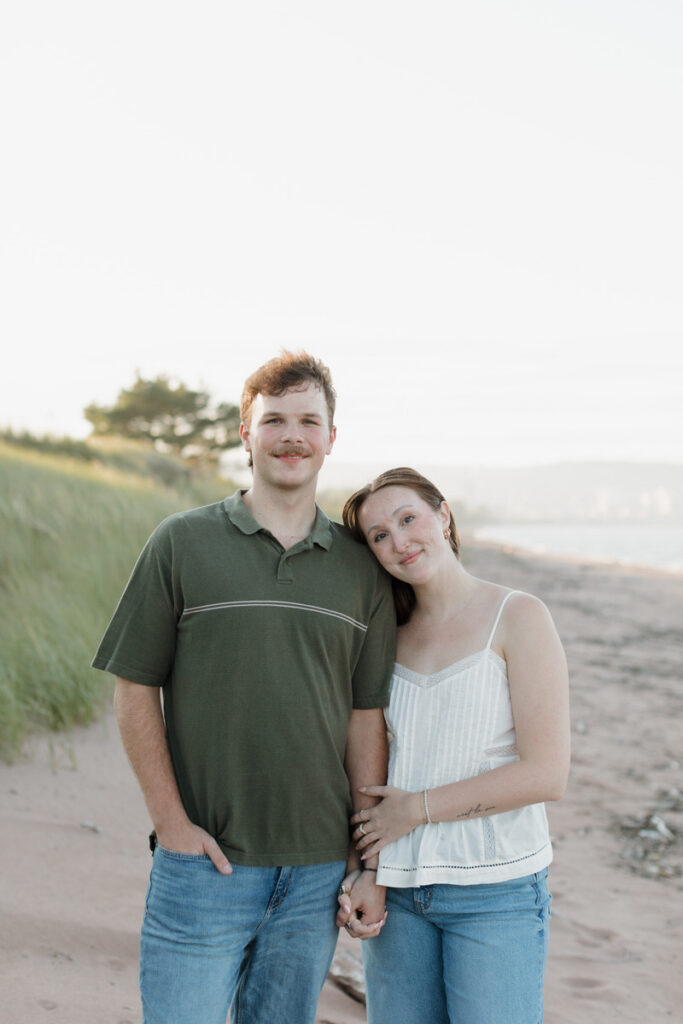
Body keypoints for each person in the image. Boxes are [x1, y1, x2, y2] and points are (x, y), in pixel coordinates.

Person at [92, 352, 395, 1024]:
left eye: (308, 421)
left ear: (330, 438)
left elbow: (364, 716)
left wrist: (359, 856)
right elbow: (134, 688)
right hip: (204, 864)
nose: (292, 435)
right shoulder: (181, 543)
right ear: (245, 435)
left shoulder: (361, 569)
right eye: (275, 420)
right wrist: (171, 826)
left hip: (316, 870)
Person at [338, 467, 570, 1024]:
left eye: (408, 518)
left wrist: (416, 811)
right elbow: (370, 764)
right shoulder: (383, 636)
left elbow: (546, 774)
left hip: (496, 890)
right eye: (379, 536)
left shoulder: (518, 616)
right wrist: (365, 871)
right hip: (401, 891)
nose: (399, 541)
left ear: (443, 515)